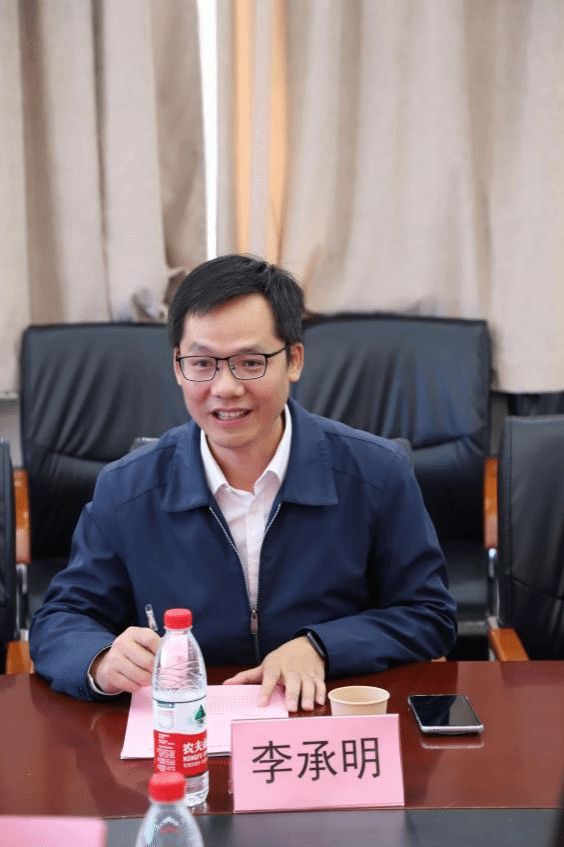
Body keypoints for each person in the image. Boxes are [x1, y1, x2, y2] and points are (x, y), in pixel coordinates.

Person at [29, 254, 457, 710]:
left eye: (250, 362)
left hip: (323, 716)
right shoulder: (125, 489)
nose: (225, 388)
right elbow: (61, 620)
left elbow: (428, 614)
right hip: (186, 723)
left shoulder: (377, 473)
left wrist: (322, 646)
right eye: (202, 363)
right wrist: (100, 659)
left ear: (294, 360)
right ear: (177, 366)